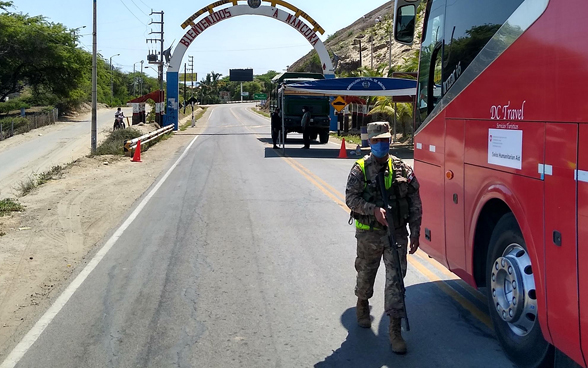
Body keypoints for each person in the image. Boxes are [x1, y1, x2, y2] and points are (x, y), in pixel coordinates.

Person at [345, 121, 422, 355]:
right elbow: (351, 199)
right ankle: (361, 304)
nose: (381, 144)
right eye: (376, 140)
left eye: (385, 139)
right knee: (366, 274)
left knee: (396, 281)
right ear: (370, 142)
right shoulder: (360, 169)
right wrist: (373, 210)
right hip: (369, 234)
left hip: (396, 234)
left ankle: (394, 331)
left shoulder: (402, 168)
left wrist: (416, 231)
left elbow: (414, 201)